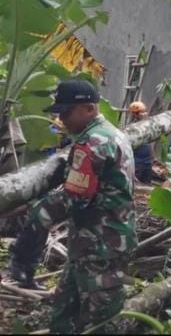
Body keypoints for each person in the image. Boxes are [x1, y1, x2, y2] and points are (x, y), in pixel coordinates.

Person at [8, 79, 136, 333]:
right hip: (91, 244)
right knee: (64, 314)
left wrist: (36, 213)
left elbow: (74, 198)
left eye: (66, 112)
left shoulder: (93, 143)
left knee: (100, 322)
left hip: (101, 247)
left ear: (89, 109)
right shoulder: (110, 133)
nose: (62, 119)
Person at [128, 101, 156, 184]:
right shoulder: (132, 129)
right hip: (137, 163)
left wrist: (153, 157)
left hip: (147, 162)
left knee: (147, 185)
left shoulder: (148, 125)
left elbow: (150, 141)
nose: (144, 114)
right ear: (135, 114)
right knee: (137, 186)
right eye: (142, 112)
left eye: (145, 111)